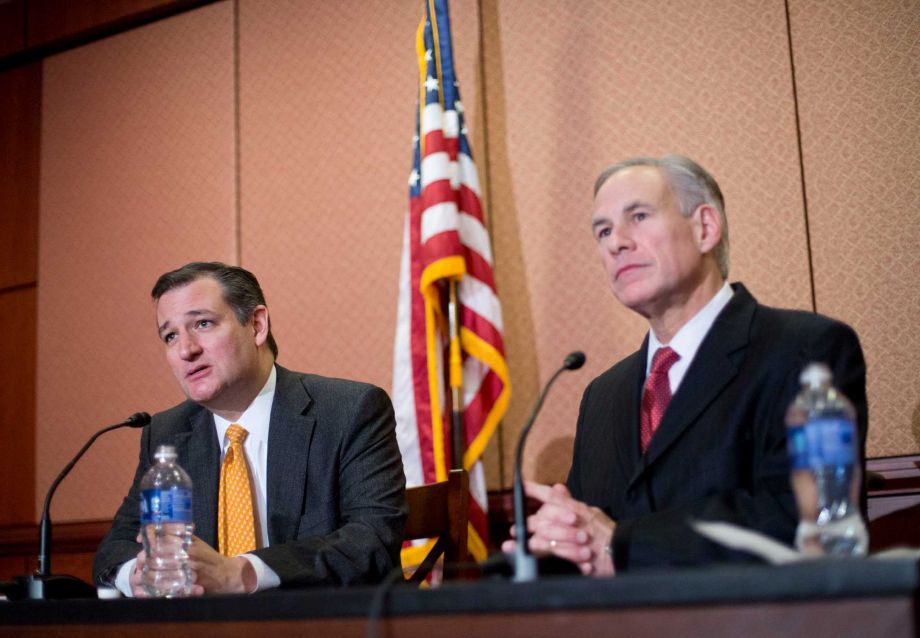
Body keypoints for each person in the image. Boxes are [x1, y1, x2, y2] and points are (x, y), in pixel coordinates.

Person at [503, 155, 867, 575]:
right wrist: (554, 544)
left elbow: (807, 519)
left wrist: (622, 545)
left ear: (705, 228)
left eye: (638, 216)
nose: (615, 242)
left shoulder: (806, 350)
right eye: (602, 231)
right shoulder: (602, 396)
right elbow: (591, 541)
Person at [94, 262, 406, 595]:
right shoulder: (166, 432)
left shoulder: (348, 411)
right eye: (170, 336)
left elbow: (371, 541)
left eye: (202, 323)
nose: (186, 349)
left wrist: (241, 573)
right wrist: (138, 575)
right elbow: (116, 549)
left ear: (256, 325)